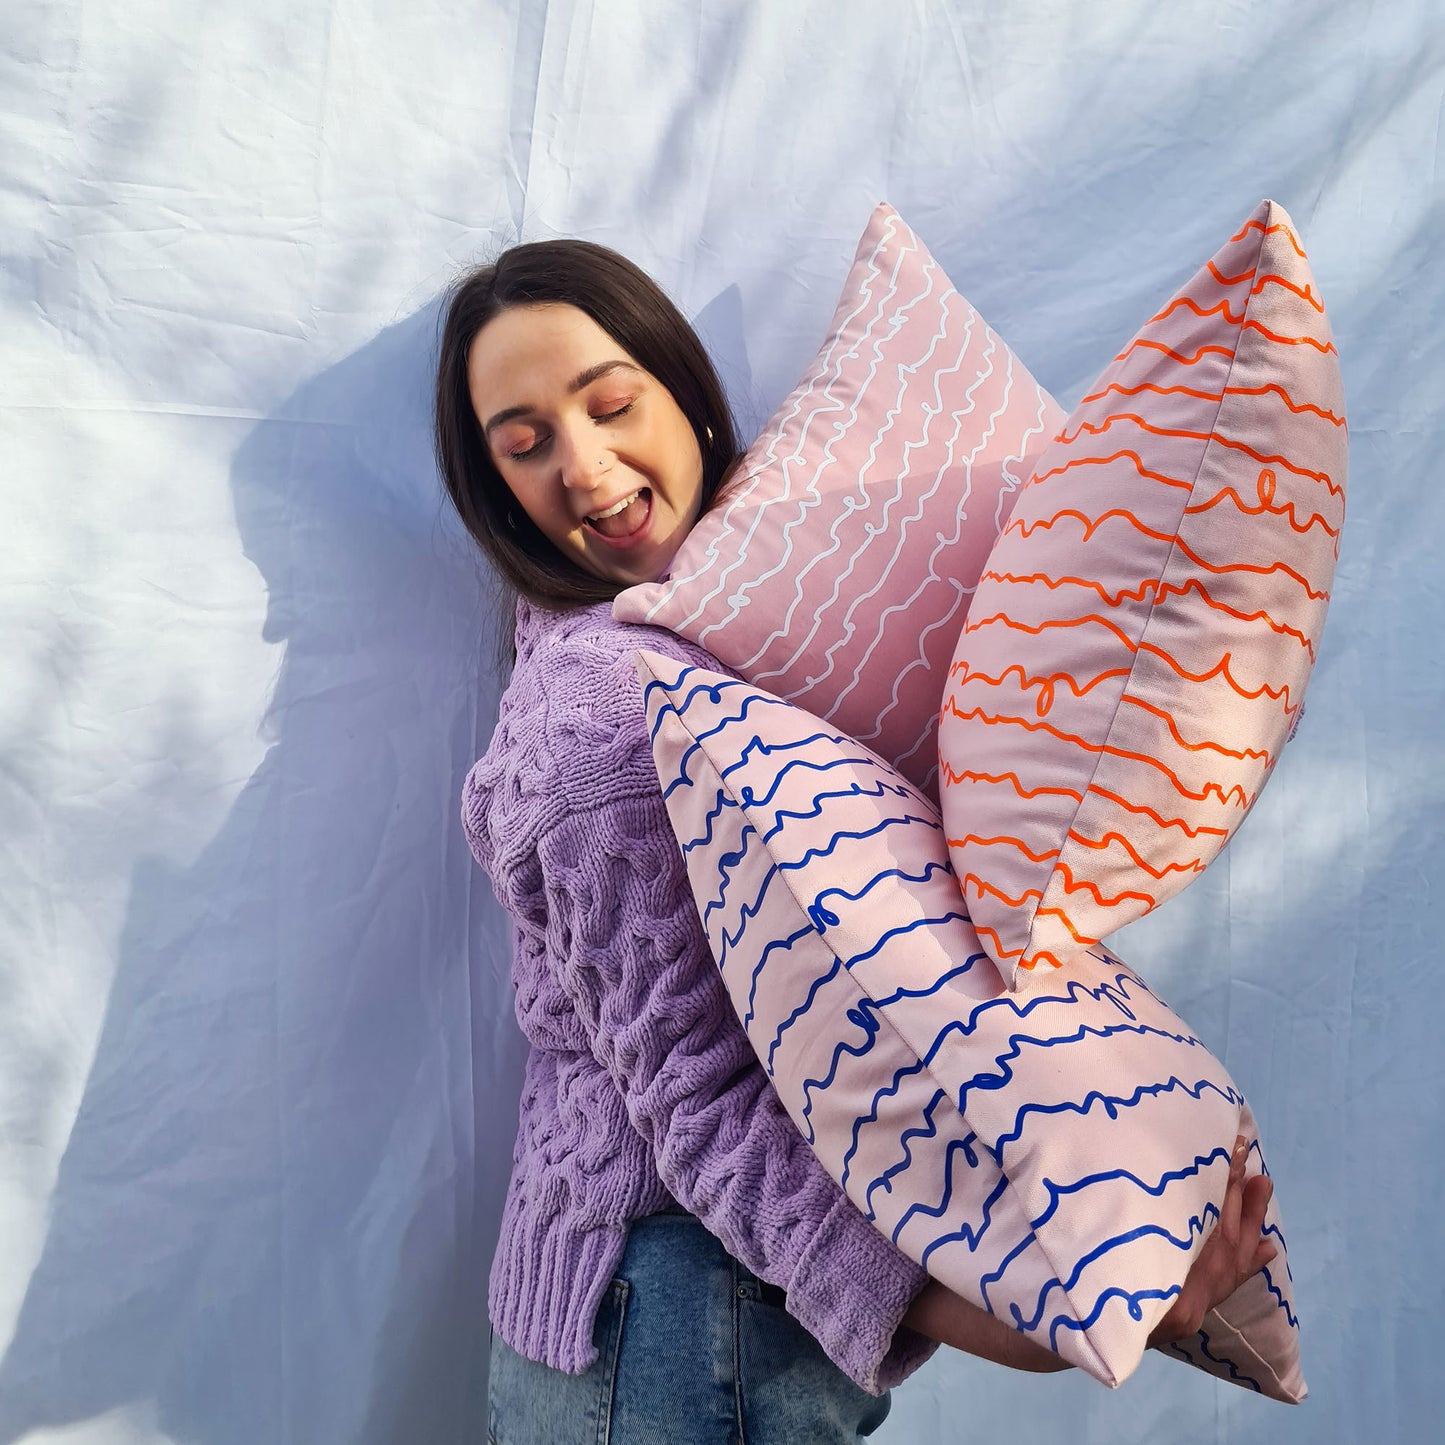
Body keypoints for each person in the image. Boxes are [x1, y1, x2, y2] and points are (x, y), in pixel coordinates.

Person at [433, 239, 1278, 1445]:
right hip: (671, 1318)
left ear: (685, 394)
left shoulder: (725, 633)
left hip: (689, 1322)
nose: (586, 465)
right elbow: (703, 1103)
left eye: (612, 403)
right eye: (523, 444)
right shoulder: (599, 715)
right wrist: (1002, 1318)